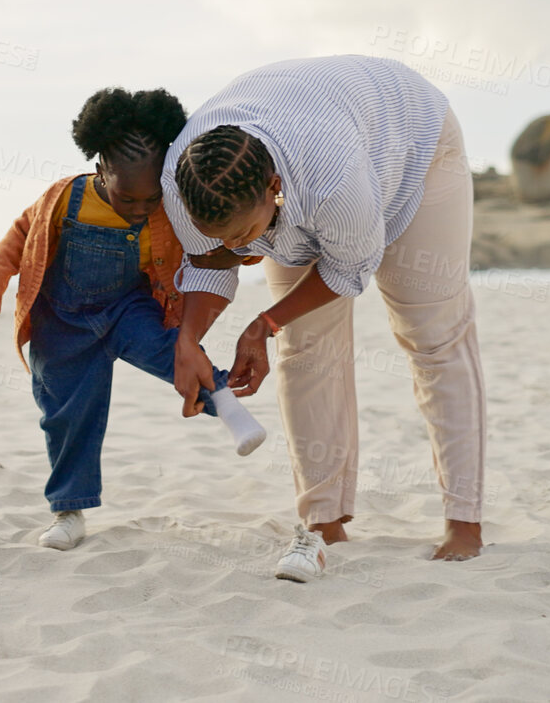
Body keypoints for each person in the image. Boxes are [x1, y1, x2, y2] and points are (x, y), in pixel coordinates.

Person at [162, 56, 487, 580]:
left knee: (433, 337)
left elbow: (349, 269)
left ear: (272, 187)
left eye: (242, 236)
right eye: (216, 232)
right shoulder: (190, 180)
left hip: (413, 145)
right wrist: (189, 339)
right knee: (306, 349)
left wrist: (263, 323)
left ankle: (464, 522)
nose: (233, 249)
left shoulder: (333, 182)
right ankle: (325, 521)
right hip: (313, 159)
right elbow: (207, 263)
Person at [0, 88, 267, 551]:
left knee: (176, 351)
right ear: (101, 171)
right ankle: (68, 510)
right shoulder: (65, 199)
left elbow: (216, 244)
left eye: (151, 198)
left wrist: (247, 243)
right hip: (62, 321)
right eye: (129, 198)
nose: (141, 208)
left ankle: (228, 406)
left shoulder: (167, 208)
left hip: (127, 309)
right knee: (65, 415)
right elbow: (20, 238)